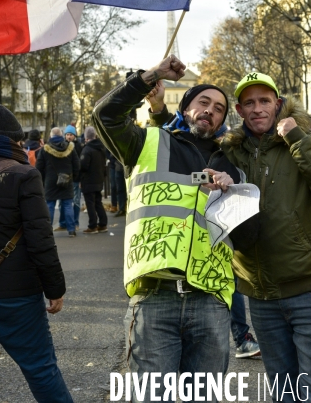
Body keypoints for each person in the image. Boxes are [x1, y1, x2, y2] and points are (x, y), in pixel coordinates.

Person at [92, 55, 258, 403]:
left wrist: (235, 192)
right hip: (155, 297)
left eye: (219, 108)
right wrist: (149, 76)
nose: (210, 111)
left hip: (210, 301)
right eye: (203, 102)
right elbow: (104, 115)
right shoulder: (148, 143)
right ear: (183, 107)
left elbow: (248, 239)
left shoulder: (232, 164)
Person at [220, 72, 311, 402]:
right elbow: (188, 141)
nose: (257, 109)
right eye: (249, 103)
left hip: (310, 288)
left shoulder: (306, 139)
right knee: (284, 393)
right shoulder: (230, 152)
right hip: (260, 293)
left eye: (265, 100)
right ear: (239, 110)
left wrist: (297, 138)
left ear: (278, 104)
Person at [0, 104, 72, 403]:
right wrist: (55, 289)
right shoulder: (24, 174)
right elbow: (41, 240)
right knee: (41, 371)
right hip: (17, 297)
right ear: (15, 140)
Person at [36, 127, 80, 237]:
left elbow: (39, 167)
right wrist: (73, 177)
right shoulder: (70, 148)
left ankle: (47, 230)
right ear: (62, 135)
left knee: (50, 205)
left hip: (50, 181)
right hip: (67, 179)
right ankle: (71, 230)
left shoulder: (45, 149)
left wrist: (42, 180)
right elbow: (77, 165)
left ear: (51, 135)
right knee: (68, 205)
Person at [79, 125, 108, 234]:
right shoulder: (101, 148)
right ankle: (103, 223)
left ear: (86, 138)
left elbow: (83, 166)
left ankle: (92, 225)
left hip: (88, 180)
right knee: (98, 202)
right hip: (99, 179)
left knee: (90, 203)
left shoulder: (87, 150)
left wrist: (80, 178)